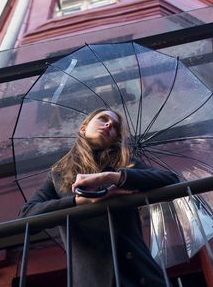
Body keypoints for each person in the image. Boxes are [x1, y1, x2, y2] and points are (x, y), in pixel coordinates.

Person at [19, 108, 179, 287]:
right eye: (103, 119)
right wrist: (78, 202)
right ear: (83, 128)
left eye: (116, 127)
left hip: (141, 275)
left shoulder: (125, 164)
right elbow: (27, 215)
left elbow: (172, 179)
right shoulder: (58, 175)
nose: (109, 124)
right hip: (93, 280)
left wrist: (111, 177)